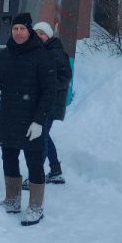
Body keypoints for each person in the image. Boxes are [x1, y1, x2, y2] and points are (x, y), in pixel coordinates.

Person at [0, 13, 56, 226]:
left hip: (31, 121)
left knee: (34, 162)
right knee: (9, 158)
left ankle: (36, 207)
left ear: (29, 31)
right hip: (8, 117)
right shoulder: (6, 55)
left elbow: (49, 92)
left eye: (22, 29)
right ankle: (12, 200)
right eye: (15, 29)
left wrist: (39, 121)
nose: (18, 33)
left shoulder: (42, 56)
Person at [27, 21, 72, 186]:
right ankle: (55, 171)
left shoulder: (55, 51)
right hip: (41, 102)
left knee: (41, 137)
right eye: (36, 33)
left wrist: (47, 87)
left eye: (42, 33)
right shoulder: (39, 51)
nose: (38, 36)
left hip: (51, 102)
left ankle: (36, 175)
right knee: (44, 134)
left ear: (48, 36)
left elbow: (65, 76)